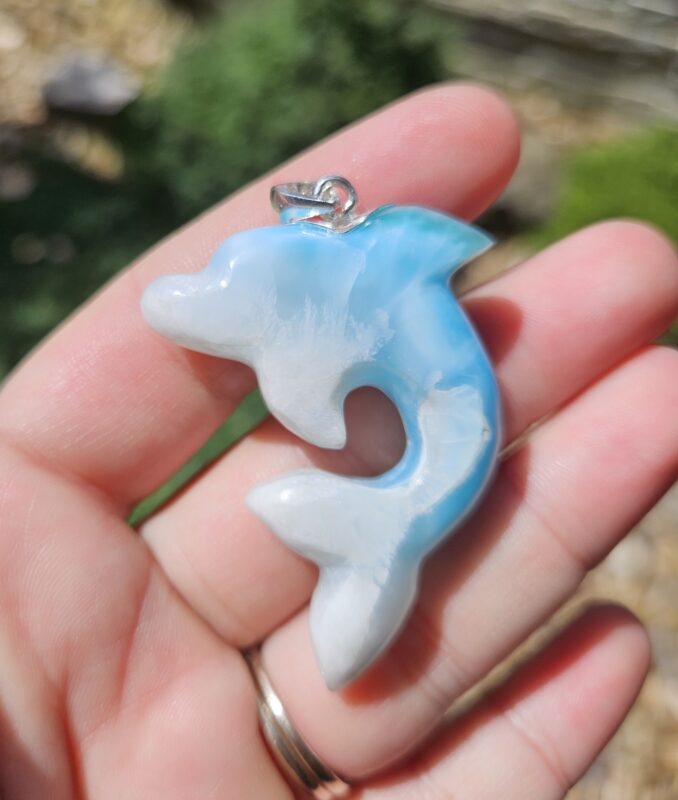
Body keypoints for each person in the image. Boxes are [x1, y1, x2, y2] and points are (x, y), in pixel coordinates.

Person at [0, 83, 676, 799]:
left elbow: (315, 413)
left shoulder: (301, 279)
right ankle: (375, 540)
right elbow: (314, 412)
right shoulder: (286, 270)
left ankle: (378, 541)